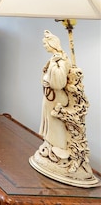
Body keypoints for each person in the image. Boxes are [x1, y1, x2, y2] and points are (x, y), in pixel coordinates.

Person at [39, 30, 71, 161]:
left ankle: (59, 147)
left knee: (54, 122)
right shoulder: (53, 59)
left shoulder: (60, 60)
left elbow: (59, 83)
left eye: (46, 43)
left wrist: (53, 66)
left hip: (56, 97)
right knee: (48, 120)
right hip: (50, 96)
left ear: (52, 44)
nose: (44, 46)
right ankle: (50, 145)